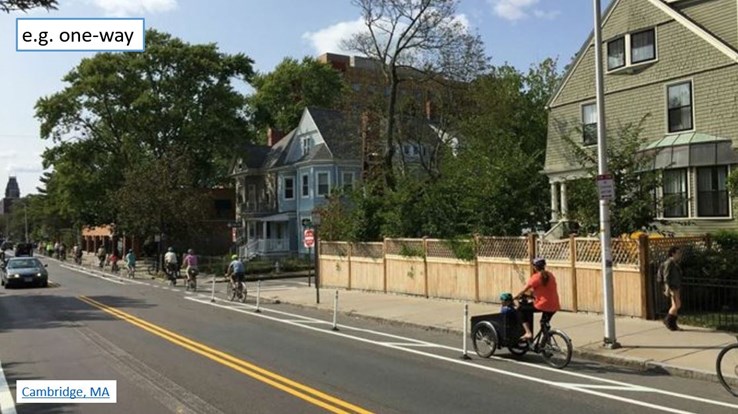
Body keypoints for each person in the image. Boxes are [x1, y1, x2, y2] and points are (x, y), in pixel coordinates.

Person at [514, 257, 561, 341]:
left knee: (520, 309)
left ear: (534, 267)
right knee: (544, 323)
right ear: (544, 266)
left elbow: (524, 289)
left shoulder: (535, 277)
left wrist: (516, 296)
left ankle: (528, 333)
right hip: (554, 305)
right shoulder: (550, 275)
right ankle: (546, 342)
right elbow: (543, 289)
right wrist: (533, 294)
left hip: (542, 305)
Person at [661, 246, 683, 331]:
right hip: (672, 287)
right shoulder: (669, 263)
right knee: (677, 305)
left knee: (675, 305)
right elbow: (666, 277)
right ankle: (668, 320)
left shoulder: (675, 263)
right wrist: (667, 288)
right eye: (678, 253)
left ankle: (673, 325)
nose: (679, 255)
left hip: (676, 286)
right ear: (673, 253)